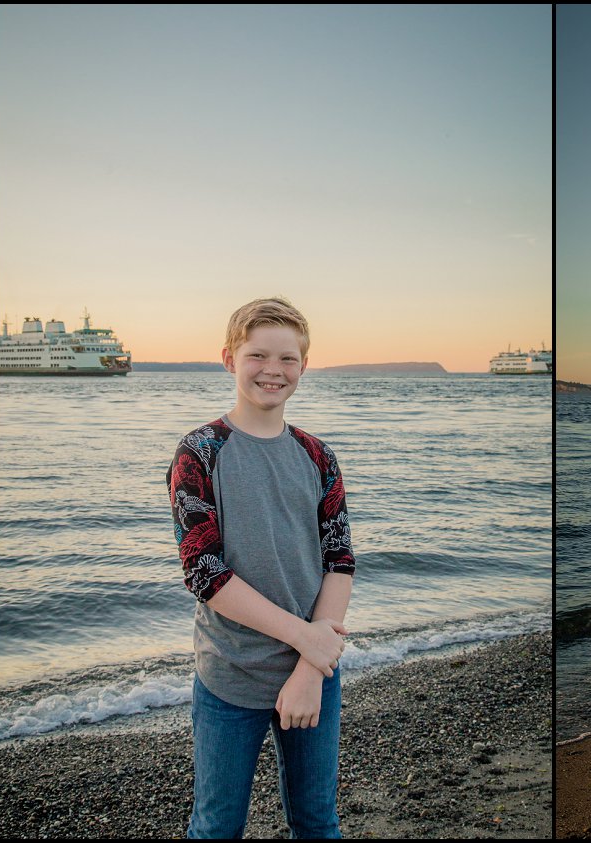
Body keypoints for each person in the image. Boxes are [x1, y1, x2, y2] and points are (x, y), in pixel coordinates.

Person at [167, 297, 356, 838]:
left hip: (315, 672)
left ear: (304, 365)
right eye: (258, 355)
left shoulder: (317, 455)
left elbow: (339, 561)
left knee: (318, 822)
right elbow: (205, 574)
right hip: (231, 673)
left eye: (288, 359)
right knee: (216, 826)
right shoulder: (198, 453)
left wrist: (310, 668)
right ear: (229, 358)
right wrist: (311, 641)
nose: (273, 370)